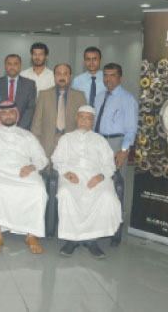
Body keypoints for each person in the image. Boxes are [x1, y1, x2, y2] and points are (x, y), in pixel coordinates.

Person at [0, 102, 48, 255]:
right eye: (4, 113)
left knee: (38, 189)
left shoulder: (26, 135)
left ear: (16, 115)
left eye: (11, 112)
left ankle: (31, 235)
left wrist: (32, 167)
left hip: (23, 170)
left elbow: (41, 158)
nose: (8, 115)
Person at [52, 105, 121, 259]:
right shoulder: (66, 138)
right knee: (65, 193)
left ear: (93, 121)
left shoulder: (100, 140)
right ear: (76, 118)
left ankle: (92, 240)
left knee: (106, 196)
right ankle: (71, 239)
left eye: (88, 118)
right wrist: (67, 173)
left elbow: (110, 164)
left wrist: (100, 177)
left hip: (95, 176)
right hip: (72, 176)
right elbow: (57, 160)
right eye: (81, 117)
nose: (84, 121)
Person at [93, 63, 138, 246]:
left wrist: (124, 151)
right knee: (99, 182)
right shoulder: (100, 96)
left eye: (112, 75)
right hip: (98, 142)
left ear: (120, 78)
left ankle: (116, 228)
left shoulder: (127, 99)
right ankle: (99, 222)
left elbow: (131, 129)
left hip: (116, 143)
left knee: (116, 184)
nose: (108, 79)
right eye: (106, 75)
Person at [31, 64, 86, 158]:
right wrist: (35, 147)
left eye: (65, 74)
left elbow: (84, 124)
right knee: (46, 171)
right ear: (54, 76)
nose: (62, 77)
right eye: (58, 74)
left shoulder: (80, 96)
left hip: (71, 144)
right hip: (47, 142)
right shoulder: (44, 95)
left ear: (70, 76)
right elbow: (36, 124)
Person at [0, 54, 36, 130]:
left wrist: (19, 128)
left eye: (15, 64)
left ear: (20, 66)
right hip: (0, 128)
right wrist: (1, 125)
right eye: (9, 64)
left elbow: (30, 108)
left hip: (22, 128)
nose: (12, 67)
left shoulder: (29, 84)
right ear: (5, 66)